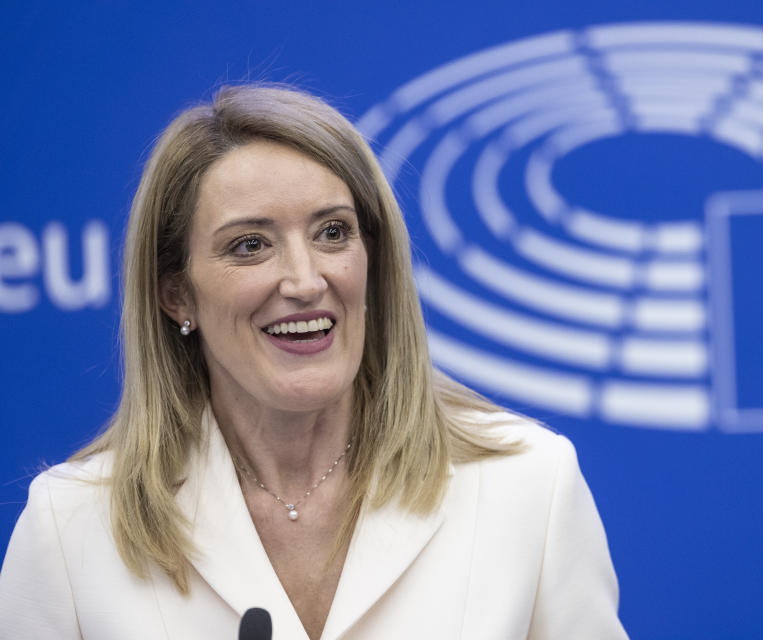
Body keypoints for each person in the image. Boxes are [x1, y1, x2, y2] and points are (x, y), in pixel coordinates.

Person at [0, 84, 626, 639]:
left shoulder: (527, 484)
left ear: (373, 260)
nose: (304, 280)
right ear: (176, 294)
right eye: (250, 245)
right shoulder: (71, 528)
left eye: (332, 233)